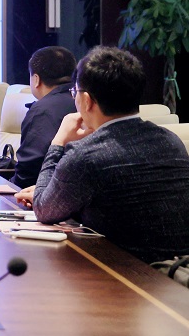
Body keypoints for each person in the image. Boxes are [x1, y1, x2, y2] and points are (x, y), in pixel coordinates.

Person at [15, 46, 189, 264]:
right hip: (179, 270)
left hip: (128, 273)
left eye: (75, 92)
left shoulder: (86, 155)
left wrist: (58, 142)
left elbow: (44, 210)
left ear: (86, 100)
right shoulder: (171, 141)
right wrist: (53, 191)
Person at [10, 46, 77, 188]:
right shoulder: (86, 102)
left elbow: (27, 173)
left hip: (42, 192)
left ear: (36, 79)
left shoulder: (42, 111)